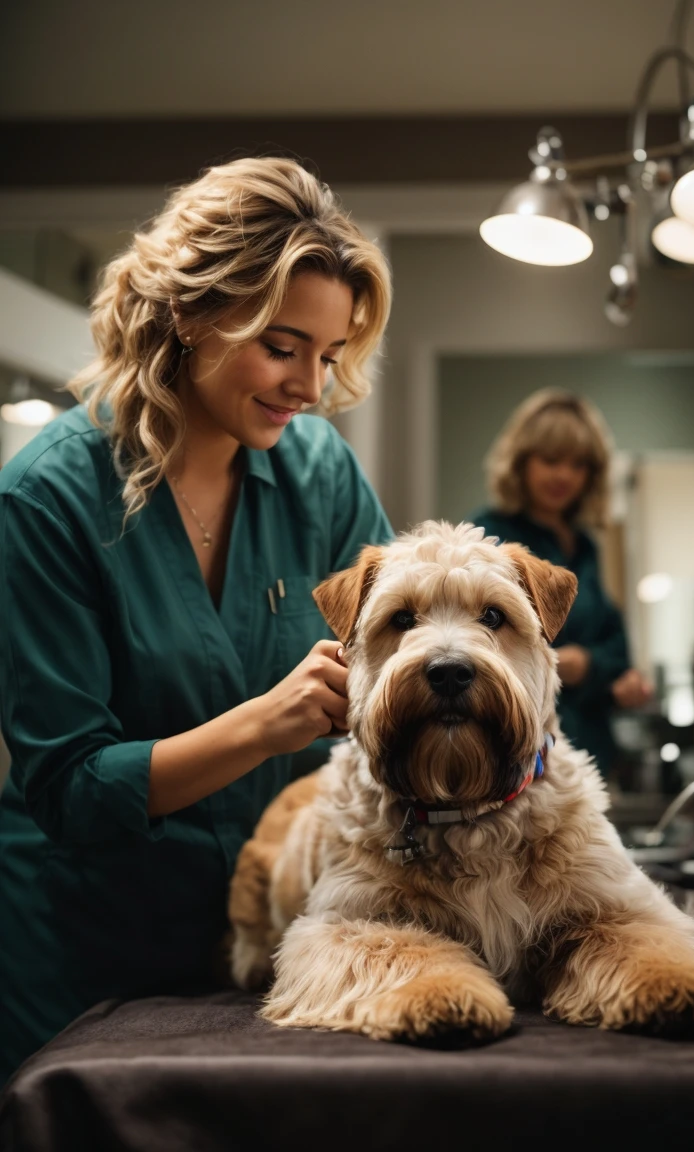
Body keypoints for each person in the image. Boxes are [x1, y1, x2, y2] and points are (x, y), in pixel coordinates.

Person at [0, 157, 393, 1086]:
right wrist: (267, 722)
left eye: (328, 356)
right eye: (283, 344)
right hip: (85, 951)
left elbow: (399, 643)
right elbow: (71, 786)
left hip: (269, 939)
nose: (309, 386)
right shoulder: (46, 499)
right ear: (191, 313)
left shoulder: (320, 473)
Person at [468, 389, 652, 778]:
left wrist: (589, 667)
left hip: (590, 748)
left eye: (578, 464)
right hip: (521, 751)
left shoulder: (585, 546)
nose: (564, 475)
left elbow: (617, 644)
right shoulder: (488, 537)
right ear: (521, 463)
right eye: (550, 461)